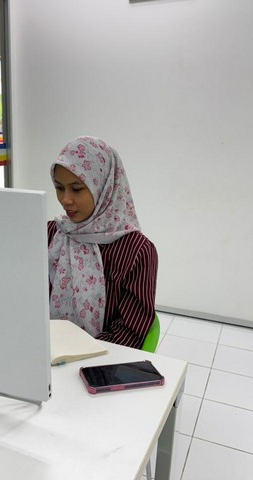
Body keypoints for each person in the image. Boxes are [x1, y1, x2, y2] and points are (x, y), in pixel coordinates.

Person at [48, 136, 158, 349]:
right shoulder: (52, 233)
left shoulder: (137, 251)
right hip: (43, 352)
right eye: (59, 188)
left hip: (100, 359)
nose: (65, 199)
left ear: (105, 187)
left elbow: (131, 331)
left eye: (77, 189)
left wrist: (78, 353)